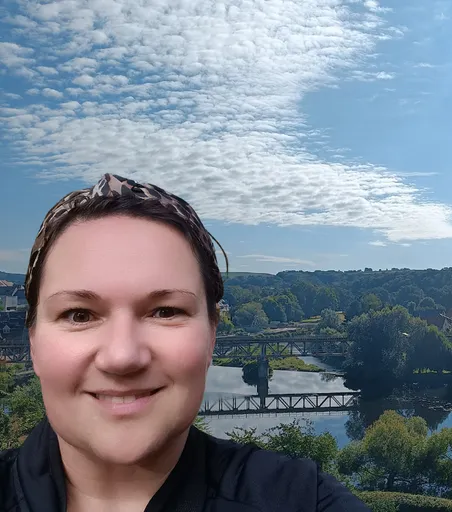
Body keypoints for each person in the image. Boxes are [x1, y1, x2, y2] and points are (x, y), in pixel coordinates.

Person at [0, 174, 370, 511]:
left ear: (211, 335)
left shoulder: (303, 501)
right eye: (79, 314)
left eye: (165, 311)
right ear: (33, 342)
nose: (122, 355)